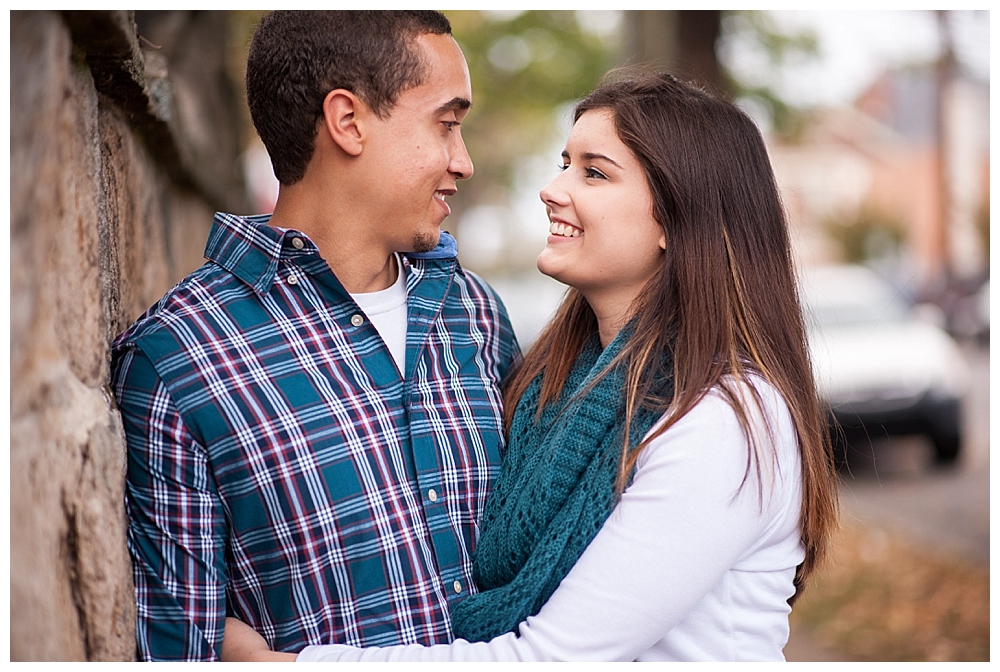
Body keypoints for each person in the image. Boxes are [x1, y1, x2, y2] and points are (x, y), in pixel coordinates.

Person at [221, 70, 840, 662]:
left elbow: (550, 656)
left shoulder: (721, 419)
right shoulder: (552, 385)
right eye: (565, 163)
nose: (553, 188)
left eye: (594, 174)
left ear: (679, 221)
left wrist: (279, 666)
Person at [110, 10, 519, 661]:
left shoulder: (476, 314)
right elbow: (181, 646)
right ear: (348, 121)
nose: (462, 161)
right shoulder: (175, 362)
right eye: (446, 124)